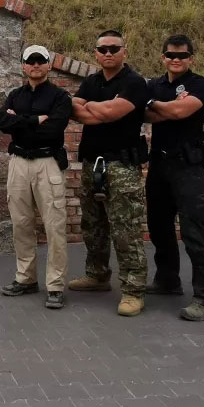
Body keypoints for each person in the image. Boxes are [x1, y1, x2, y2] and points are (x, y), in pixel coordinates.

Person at [68, 30, 150, 316]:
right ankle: (97, 274)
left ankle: (133, 290)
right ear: (95, 53)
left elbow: (111, 113)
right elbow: (74, 110)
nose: (108, 53)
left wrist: (91, 108)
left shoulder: (134, 83)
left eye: (114, 49)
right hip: (92, 163)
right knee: (93, 225)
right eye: (102, 49)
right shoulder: (90, 82)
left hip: (122, 165)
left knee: (125, 229)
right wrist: (98, 109)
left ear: (124, 52)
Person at [143, 34, 204, 321]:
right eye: (171, 55)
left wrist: (158, 105)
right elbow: (146, 116)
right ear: (163, 57)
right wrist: (168, 106)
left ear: (191, 58)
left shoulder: (200, 84)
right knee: (158, 227)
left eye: (182, 56)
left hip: (188, 167)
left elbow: (179, 111)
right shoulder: (155, 85)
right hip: (159, 165)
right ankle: (167, 280)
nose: (176, 60)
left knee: (195, 232)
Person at [0, 45, 73, 310]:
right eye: (31, 61)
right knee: (21, 224)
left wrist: (19, 121)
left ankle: (55, 285)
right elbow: (2, 122)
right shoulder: (14, 95)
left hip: (47, 163)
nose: (36, 65)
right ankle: (26, 278)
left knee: (54, 226)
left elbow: (53, 129)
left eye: (41, 60)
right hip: (18, 163)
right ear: (23, 66)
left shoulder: (60, 97)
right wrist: (35, 120)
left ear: (49, 65)